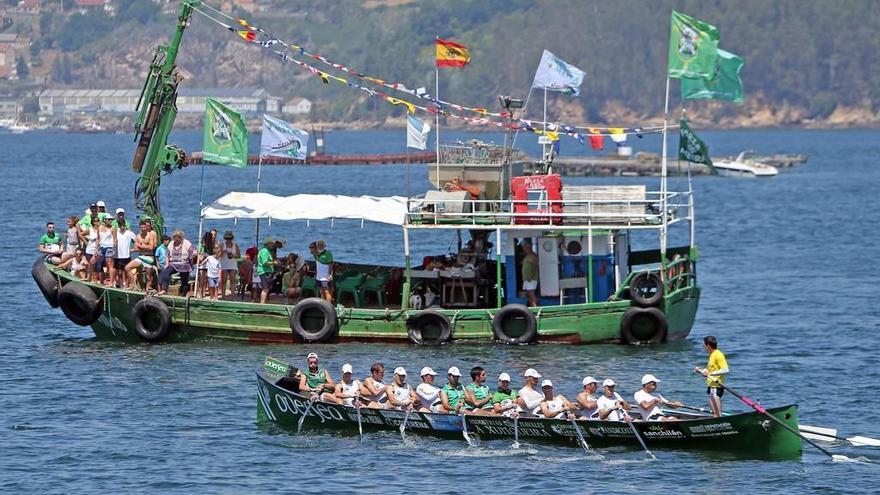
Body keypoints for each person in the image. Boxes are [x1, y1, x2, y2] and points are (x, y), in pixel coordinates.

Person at [695, 335, 729, 417]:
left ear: (708, 346)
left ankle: (721, 423)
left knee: (718, 414)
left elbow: (726, 370)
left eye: (704, 346)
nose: (704, 348)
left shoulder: (718, 354)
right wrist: (701, 371)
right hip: (711, 385)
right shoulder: (712, 355)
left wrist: (711, 374)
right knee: (715, 414)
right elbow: (710, 371)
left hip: (716, 386)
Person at [157, 230, 195, 296]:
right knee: (166, 272)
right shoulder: (171, 243)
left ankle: (183, 294)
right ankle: (164, 289)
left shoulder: (186, 243)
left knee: (184, 280)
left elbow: (193, 252)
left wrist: (194, 255)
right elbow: (167, 254)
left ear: (181, 237)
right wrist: (166, 263)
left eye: (178, 237)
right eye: (174, 237)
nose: (176, 239)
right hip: (173, 263)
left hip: (184, 263)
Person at [124, 221, 158, 290]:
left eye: (144, 227)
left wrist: (141, 246)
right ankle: (133, 285)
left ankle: (147, 288)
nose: (143, 229)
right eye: (141, 227)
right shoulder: (138, 236)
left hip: (149, 257)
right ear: (140, 228)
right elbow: (136, 248)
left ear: (147, 227)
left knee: (148, 276)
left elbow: (151, 248)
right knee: (127, 268)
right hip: (141, 256)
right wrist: (144, 246)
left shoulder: (150, 235)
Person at [113, 217, 137, 288]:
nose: (122, 227)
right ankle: (120, 285)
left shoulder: (130, 233)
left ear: (125, 225)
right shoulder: (116, 232)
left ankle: (126, 285)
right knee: (119, 272)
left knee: (127, 271)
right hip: (117, 256)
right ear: (119, 226)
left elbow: (137, 241)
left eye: (123, 225)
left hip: (126, 256)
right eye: (121, 226)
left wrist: (133, 249)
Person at [94, 216, 116, 285]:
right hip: (101, 247)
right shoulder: (100, 228)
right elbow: (98, 238)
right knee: (99, 263)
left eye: (111, 219)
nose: (110, 221)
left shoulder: (112, 228)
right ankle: (102, 280)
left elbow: (115, 239)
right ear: (105, 220)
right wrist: (96, 249)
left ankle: (111, 282)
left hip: (109, 247)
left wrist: (114, 250)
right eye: (109, 219)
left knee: (109, 264)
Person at [256, 238, 277, 304]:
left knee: (266, 288)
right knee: (265, 288)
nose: (272, 245)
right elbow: (265, 262)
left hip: (266, 271)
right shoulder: (265, 251)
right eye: (271, 244)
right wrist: (274, 263)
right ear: (268, 244)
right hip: (265, 271)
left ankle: (263, 302)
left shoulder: (266, 250)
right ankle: (262, 303)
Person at [219, 231, 240, 297]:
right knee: (224, 281)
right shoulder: (222, 245)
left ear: (232, 238)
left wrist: (233, 255)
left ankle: (233, 296)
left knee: (232, 281)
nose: (228, 240)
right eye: (227, 238)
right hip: (224, 265)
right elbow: (218, 255)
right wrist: (223, 251)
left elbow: (238, 256)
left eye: (230, 239)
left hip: (232, 265)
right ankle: (223, 296)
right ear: (225, 238)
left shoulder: (235, 245)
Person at [520, 239, 539, 307]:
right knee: (528, 294)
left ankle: (535, 308)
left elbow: (534, 267)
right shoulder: (528, 256)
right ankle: (532, 307)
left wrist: (531, 276)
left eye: (526, 248)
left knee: (531, 294)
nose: (524, 249)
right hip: (527, 279)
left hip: (531, 279)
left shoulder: (532, 256)